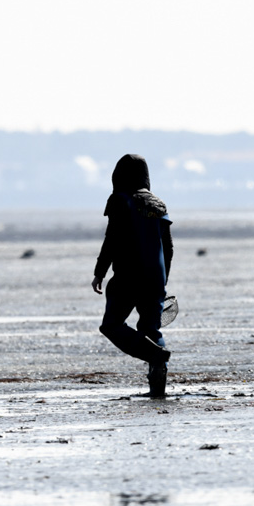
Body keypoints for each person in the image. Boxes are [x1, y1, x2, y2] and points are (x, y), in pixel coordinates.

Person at [91, 154, 173, 397]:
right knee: (152, 331)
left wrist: (99, 272)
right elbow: (167, 247)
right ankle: (158, 388)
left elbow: (112, 238)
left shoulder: (119, 200)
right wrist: (163, 278)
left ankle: (154, 355)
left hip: (128, 275)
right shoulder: (159, 204)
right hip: (155, 278)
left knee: (111, 325)